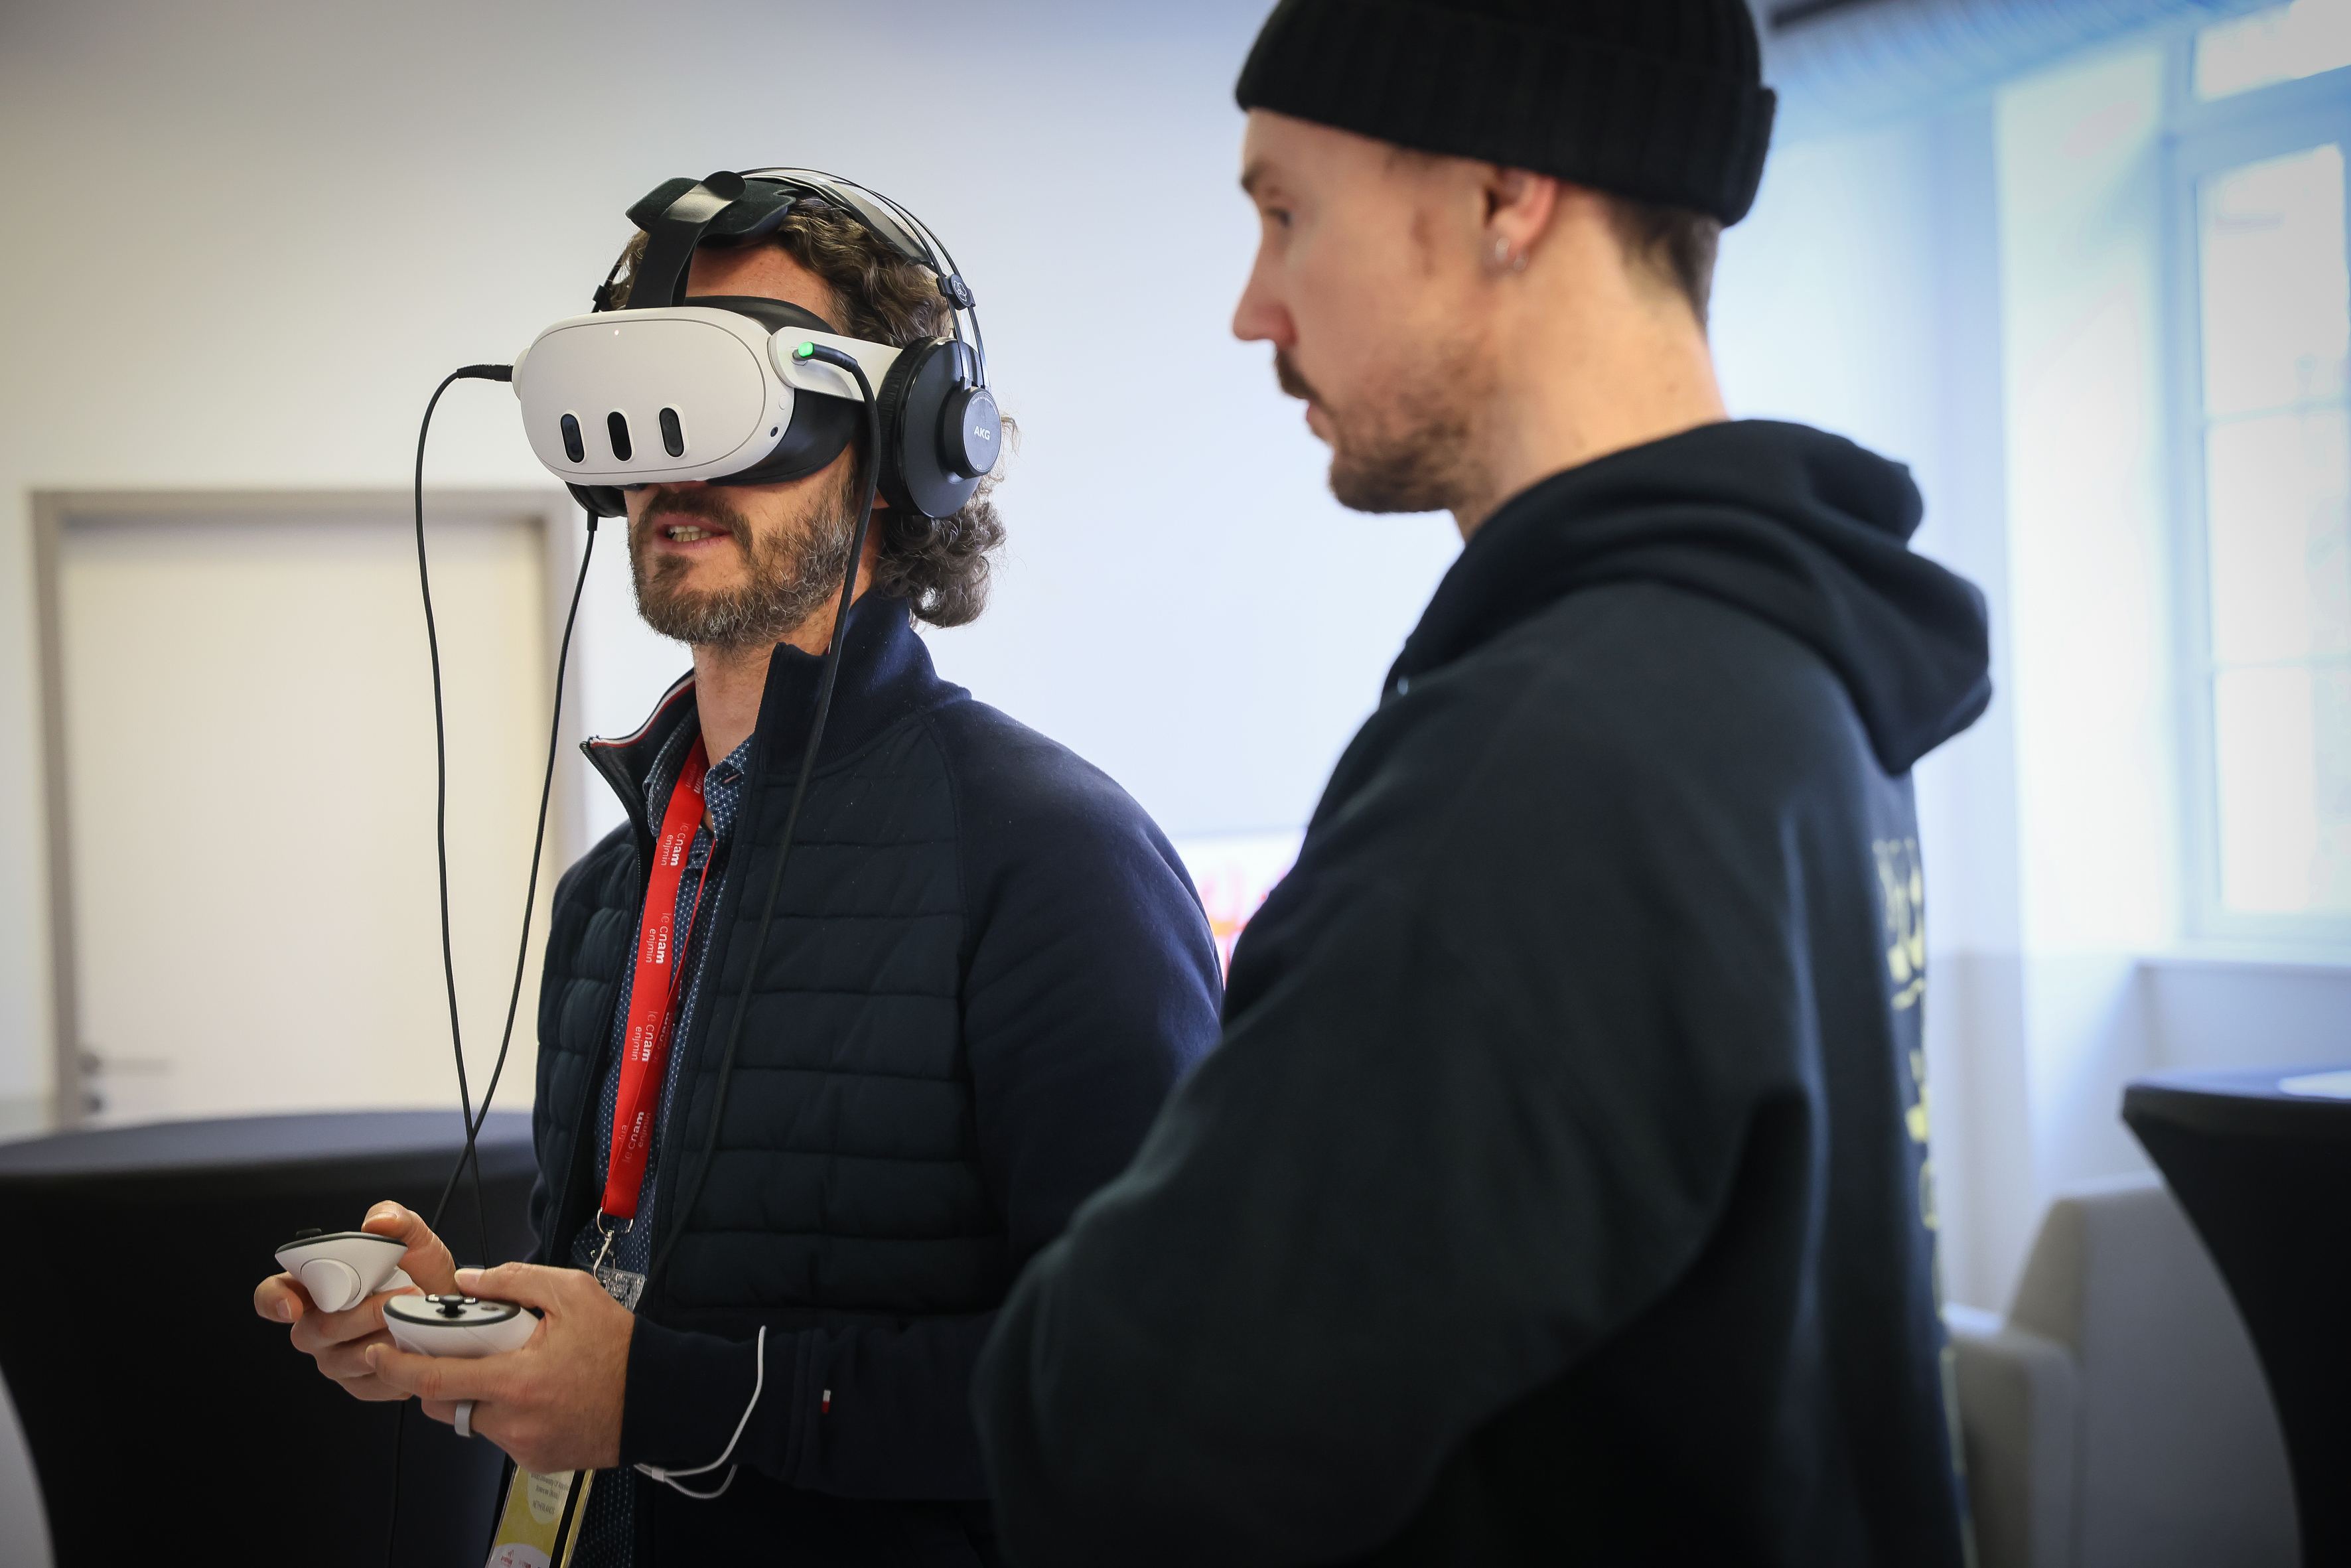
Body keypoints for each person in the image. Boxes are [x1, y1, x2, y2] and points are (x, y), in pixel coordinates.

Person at [973, 2, 1991, 1563]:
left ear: (1503, 196)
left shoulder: (1551, 759)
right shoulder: (1782, 667)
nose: (1252, 307)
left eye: (1285, 214)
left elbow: (1122, 1438)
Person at [254, 183, 1224, 1565]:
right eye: (640, 405)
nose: (674, 462)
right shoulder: (610, 894)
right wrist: (469, 1328)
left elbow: (1149, 1379)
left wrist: (673, 1396)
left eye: (735, 400)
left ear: (904, 448)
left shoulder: (1055, 861)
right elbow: (628, 1308)